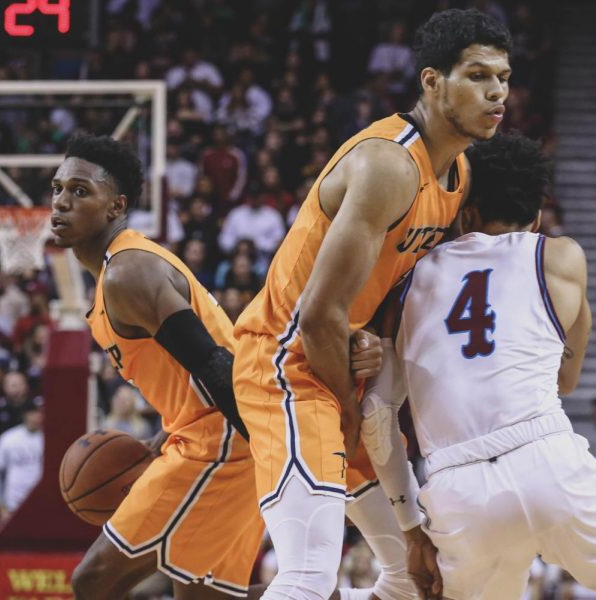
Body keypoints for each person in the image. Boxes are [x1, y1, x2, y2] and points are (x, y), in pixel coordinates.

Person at [361, 134, 596, 599]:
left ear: (463, 213)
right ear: (535, 216)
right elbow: (566, 380)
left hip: (456, 489)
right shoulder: (560, 256)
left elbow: (376, 415)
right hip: (544, 457)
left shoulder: (407, 282)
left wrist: (411, 527)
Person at [231, 9, 510, 599]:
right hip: (287, 367)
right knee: (308, 576)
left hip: (338, 364)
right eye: (478, 75)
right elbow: (315, 315)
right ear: (432, 82)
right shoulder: (388, 164)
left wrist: (369, 340)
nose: (496, 92)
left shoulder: (456, 171)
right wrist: (353, 410)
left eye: (504, 78)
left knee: (414, 578)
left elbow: (386, 292)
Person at [50, 133, 382, 599]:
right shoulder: (121, 268)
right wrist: (168, 434)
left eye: (80, 191)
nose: (61, 202)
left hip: (223, 439)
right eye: (58, 189)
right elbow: (198, 371)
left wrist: (275, 452)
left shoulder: (128, 271)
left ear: (115, 206)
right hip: (219, 431)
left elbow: (213, 361)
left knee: (95, 582)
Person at [0, 397, 44, 518]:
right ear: (25, 414)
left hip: (41, 502)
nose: (37, 416)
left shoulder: (49, 439)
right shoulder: (8, 438)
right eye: (33, 412)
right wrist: (0, 505)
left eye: (40, 412)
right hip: (13, 500)